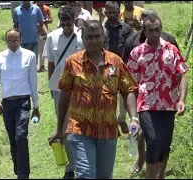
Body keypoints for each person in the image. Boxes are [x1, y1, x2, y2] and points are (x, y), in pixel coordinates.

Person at [48, 20, 140, 179]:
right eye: (89, 37)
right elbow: (64, 95)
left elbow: (129, 90)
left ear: (103, 37)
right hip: (79, 128)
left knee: (104, 175)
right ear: (82, 38)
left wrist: (133, 118)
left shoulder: (115, 61)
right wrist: (59, 127)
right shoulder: (73, 62)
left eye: (97, 36)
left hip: (107, 129)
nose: (93, 40)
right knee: (85, 175)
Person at [127, 14, 189, 179]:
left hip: (169, 104)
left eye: (157, 29)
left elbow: (182, 75)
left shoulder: (172, 50)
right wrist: (131, 113)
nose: (154, 33)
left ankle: (160, 174)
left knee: (164, 143)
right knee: (153, 140)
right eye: (150, 30)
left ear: (161, 29)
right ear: (145, 31)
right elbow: (130, 84)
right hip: (146, 103)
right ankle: (150, 175)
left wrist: (182, 99)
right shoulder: (136, 53)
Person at [0, 28, 40, 179]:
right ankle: (18, 168)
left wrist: (36, 106)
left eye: (16, 40)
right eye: (10, 41)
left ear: (21, 40)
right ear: (6, 41)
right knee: (13, 138)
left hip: (23, 102)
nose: (13, 43)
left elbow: (33, 81)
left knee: (21, 137)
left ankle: (23, 175)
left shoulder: (29, 56)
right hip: (7, 104)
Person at [44, 6, 84, 179]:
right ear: (60, 21)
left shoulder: (82, 35)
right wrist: (52, 86)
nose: (67, 26)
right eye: (64, 23)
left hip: (82, 88)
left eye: (69, 23)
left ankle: (84, 165)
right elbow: (51, 63)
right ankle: (70, 168)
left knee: (81, 126)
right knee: (65, 127)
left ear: (73, 20)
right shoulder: (52, 37)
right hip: (61, 88)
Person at [103, 1, 133, 135]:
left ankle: (121, 119)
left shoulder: (126, 28)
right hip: (108, 66)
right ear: (105, 13)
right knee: (110, 94)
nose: (112, 15)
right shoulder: (102, 29)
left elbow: (132, 47)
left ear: (118, 11)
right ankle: (112, 122)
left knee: (125, 94)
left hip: (124, 65)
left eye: (114, 12)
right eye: (109, 12)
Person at [34, 1, 53, 72]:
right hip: (34, 32)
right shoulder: (33, 7)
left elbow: (51, 20)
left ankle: (42, 66)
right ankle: (34, 66)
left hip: (43, 32)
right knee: (35, 50)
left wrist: (45, 21)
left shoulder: (46, 8)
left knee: (42, 50)